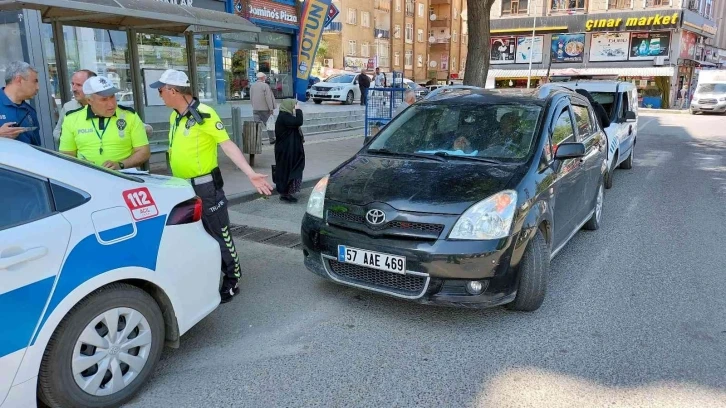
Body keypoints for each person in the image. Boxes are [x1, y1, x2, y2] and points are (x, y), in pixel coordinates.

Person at [151, 69, 273, 303]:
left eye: (161, 90)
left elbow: (227, 145)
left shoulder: (205, 114)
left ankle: (232, 278)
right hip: (181, 189)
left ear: (173, 91)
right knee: (191, 236)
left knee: (220, 234)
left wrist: (250, 174)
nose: (160, 95)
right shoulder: (175, 115)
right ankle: (202, 277)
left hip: (206, 189)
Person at [59, 76, 150, 169]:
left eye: (112, 97)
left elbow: (143, 152)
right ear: (89, 100)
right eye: (104, 99)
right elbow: (66, 154)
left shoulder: (130, 115)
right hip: (86, 176)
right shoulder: (71, 118)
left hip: (123, 177)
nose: (111, 104)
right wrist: (80, 163)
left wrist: (121, 164)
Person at [0, 61, 41, 145]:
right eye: (35, 81)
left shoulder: (30, 111)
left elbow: (37, 147)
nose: (38, 87)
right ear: (19, 80)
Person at [274, 99, 305, 203]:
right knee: (286, 171)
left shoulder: (286, 116)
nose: (294, 107)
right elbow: (299, 121)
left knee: (290, 169)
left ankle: (287, 192)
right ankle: (285, 193)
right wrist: (299, 111)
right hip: (285, 151)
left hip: (288, 150)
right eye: (294, 106)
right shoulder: (284, 117)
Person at [250, 72, 276, 144]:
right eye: (264, 77)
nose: (265, 78)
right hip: (265, 109)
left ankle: (257, 141)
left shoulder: (253, 86)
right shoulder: (265, 86)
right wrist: (271, 108)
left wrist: (254, 106)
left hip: (255, 109)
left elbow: (251, 97)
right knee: (269, 124)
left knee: (257, 125)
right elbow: (268, 98)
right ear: (262, 78)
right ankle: (272, 139)